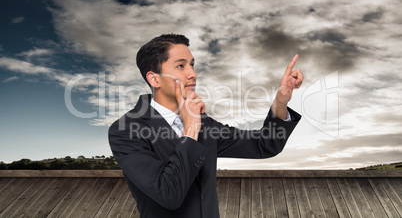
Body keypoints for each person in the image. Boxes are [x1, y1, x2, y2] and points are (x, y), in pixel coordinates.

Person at [109, 34, 303, 218]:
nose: (192, 74)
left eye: (192, 65)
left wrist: (281, 100)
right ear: (154, 79)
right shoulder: (125, 130)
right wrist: (191, 128)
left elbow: (265, 144)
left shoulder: (205, 124)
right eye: (180, 66)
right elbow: (168, 194)